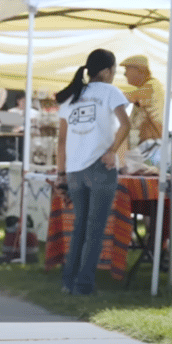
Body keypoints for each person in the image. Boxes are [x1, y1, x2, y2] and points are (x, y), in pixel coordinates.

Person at [54, 48, 130, 296]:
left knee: (80, 228)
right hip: (100, 166)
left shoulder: (72, 96)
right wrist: (113, 150)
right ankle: (84, 285)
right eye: (114, 71)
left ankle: (68, 282)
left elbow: (61, 141)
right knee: (95, 229)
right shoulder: (110, 92)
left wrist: (61, 175)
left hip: (74, 170)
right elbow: (125, 124)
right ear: (107, 71)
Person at [119, 54, 165, 152]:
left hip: (150, 145)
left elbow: (131, 97)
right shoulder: (146, 87)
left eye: (127, 69)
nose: (125, 74)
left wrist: (108, 93)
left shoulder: (152, 86)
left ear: (139, 70)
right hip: (146, 144)